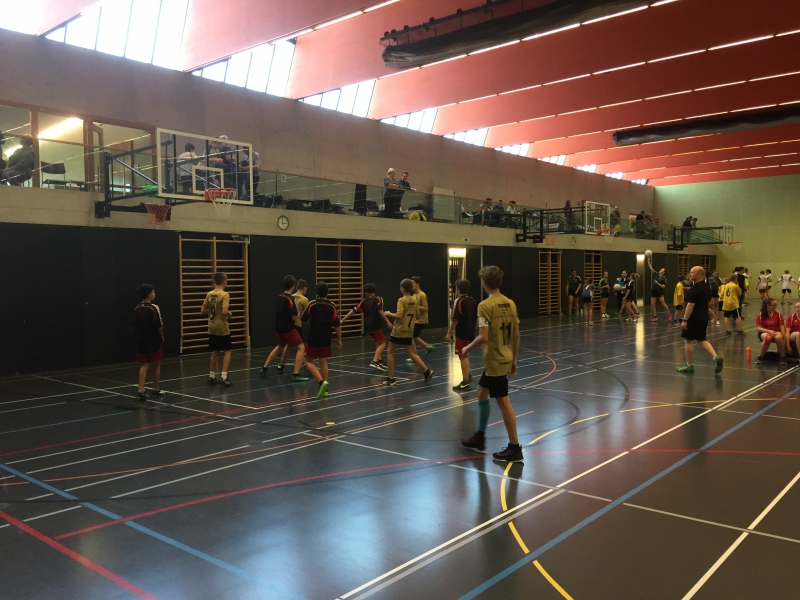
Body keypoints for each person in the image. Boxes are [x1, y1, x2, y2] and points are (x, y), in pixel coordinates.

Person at [461, 266, 522, 462]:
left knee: (503, 401)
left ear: (484, 283)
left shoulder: (485, 306)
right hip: (504, 358)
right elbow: (516, 334)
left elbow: (483, 336)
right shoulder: (510, 303)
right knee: (481, 392)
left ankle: (514, 448)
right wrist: (513, 359)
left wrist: (467, 348)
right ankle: (479, 436)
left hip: (495, 360)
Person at [259, 275, 310, 382]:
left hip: (279, 327)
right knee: (301, 347)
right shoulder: (290, 299)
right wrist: (299, 315)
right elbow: (294, 317)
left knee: (280, 346)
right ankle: (296, 374)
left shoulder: (280, 297)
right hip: (288, 327)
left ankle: (264, 368)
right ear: (293, 286)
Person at [383, 279, 434, 386]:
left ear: (402, 288)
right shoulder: (414, 300)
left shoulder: (401, 300)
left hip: (399, 330)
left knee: (390, 351)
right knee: (410, 353)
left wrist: (388, 313)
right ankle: (427, 371)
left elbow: (399, 315)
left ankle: (391, 378)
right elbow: (418, 316)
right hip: (409, 330)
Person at [677, 266, 723, 374]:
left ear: (700, 274)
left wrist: (685, 320)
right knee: (702, 339)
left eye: (692, 272)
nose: (690, 274)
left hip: (694, 318)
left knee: (688, 340)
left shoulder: (694, 289)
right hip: (704, 317)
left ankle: (689, 365)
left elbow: (690, 305)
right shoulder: (706, 286)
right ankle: (715, 357)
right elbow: (710, 302)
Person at [301, 282, 342, 398]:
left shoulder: (312, 304)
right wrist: (339, 338)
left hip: (314, 336)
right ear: (327, 292)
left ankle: (321, 382)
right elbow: (337, 324)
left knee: (307, 360)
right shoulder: (332, 306)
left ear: (316, 292)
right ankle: (325, 390)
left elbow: (303, 319)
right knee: (323, 361)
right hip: (326, 336)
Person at [340, 283, 393, 371]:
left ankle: (379, 361)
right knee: (383, 343)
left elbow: (353, 310)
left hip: (367, 325)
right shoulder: (378, 299)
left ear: (365, 292)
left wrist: (343, 320)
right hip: (375, 324)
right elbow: (380, 311)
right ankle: (374, 361)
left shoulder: (363, 301)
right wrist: (388, 321)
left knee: (378, 341)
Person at [132, 283, 165, 401]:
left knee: (144, 364)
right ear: (149, 294)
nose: (154, 294)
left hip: (141, 340)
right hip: (153, 340)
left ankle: (141, 390)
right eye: (153, 292)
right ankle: (156, 389)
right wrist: (162, 336)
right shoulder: (153, 308)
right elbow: (159, 325)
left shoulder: (136, 308)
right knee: (156, 364)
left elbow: (134, 325)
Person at [446, 279, 478, 391]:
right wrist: (474, 330)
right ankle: (468, 375)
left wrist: (449, 333)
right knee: (464, 354)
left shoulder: (458, 301)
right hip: (471, 331)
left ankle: (465, 382)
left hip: (462, 332)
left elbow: (455, 319)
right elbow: (477, 317)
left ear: (458, 290)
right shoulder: (473, 300)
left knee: (463, 355)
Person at [201, 273, 233, 386]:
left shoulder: (210, 294)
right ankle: (224, 376)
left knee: (215, 351)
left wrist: (211, 311)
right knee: (228, 350)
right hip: (221, 326)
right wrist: (230, 314)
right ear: (224, 281)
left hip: (212, 325)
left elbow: (203, 310)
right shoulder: (225, 294)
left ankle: (212, 376)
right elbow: (224, 311)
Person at [278, 279, 310, 374]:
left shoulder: (291, 296)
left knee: (288, 345)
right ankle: (302, 366)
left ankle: (281, 365)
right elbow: (306, 314)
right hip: (297, 324)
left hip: (289, 324)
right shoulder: (304, 299)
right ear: (304, 289)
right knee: (301, 347)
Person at [755, 298, 787, 366]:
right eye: (774, 305)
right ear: (768, 306)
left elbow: (781, 326)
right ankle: (760, 357)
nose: (775, 306)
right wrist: (769, 331)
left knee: (779, 338)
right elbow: (759, 328)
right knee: (768, 338)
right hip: (764, 331)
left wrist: (784, 336)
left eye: (776, 305)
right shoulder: (760, 315)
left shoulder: (778, 314)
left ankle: (783, 357)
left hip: (776, 331)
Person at [408, 276, 434, 359]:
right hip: (415, 319)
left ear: (418, 284)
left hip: (421, 320)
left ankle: (415, 356)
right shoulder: (414, 295)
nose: (411, 285)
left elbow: (426, 308)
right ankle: (427, 347)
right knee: (413, 337)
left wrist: (416, 306)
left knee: (410, 337)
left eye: (413, 283)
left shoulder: (422, 295)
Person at [647, 256, 669, 321]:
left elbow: (663, 286)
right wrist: (648, 261)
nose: (660, 270)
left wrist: (657, 283)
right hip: (653, 291)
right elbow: (650, 267)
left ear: (664, 272)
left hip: (659, 291)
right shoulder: (655, 274)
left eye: (662, 270)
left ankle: (669, 314)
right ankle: (655, 316)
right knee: (652, 304)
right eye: (661, 269)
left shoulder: (664, 279)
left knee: (663, 304)